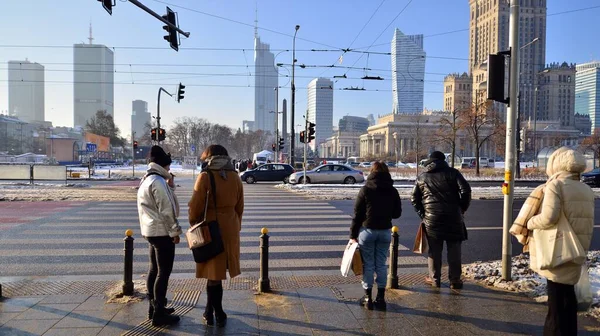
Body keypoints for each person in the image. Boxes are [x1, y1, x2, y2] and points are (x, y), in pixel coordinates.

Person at [527, 147, 594, 335]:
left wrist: (531, 222)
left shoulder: (556, 185)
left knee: (555, 305)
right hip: (578, 247)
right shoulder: (586, 188)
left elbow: (549, 217)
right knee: (568, 301)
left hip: (559, 249)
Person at [188, 145, 244, 327]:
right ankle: (212, 311)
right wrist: (236, 226)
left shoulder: (205, 176)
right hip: (230, 226)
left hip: (211, 227)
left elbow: (195, 206)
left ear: (208, 157)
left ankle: (215, 312)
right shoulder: (235, 176)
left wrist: (194, 223)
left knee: (213, 273)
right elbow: (240, 205)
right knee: (217, 274)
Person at [411, 151, 471, 289]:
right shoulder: (453, 173)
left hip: (432, 219)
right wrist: (462, 208)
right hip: (453, 217)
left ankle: (435, 279)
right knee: (454, 249)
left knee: (434, 250)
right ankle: (455, 280)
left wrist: (423, 214)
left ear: (430, 161)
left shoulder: (422, 177)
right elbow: (466, 190)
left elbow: (414, 199)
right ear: (444, 160)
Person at [137, 145, 182, 327]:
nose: (170, 170)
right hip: (162, 232)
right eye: (169, 167)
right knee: (163, 272)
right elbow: (167, 209)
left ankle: (154, 307)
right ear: (163, 166)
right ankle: (159, 313)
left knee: (154, 270)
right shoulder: (158, 182)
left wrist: (170, 186)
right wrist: (175, 231)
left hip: (150, 231)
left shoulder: (147, 179)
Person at [350, 161, 402, 310]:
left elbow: (357, 215)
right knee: (381, 264)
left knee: (368, 265)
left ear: (372, 172)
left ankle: (368, 298)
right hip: (385, 231)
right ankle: (380, 298)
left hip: (367, 232)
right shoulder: (392, 190)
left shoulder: (366, 189)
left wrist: (353, 235)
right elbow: (397, 214)